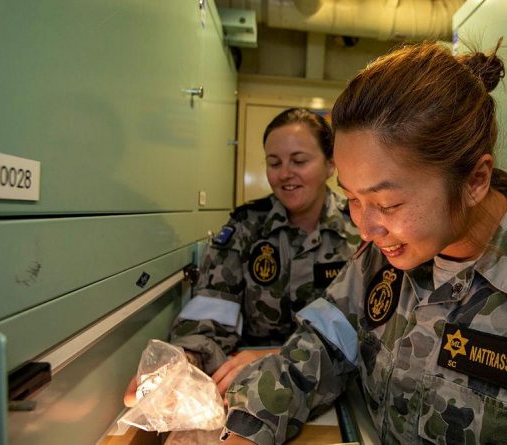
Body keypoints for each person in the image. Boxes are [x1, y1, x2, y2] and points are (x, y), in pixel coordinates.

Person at [220, 42, 507, 445]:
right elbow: (318, 350)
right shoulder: (381, 259)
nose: (364, 228)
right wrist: (242, 426)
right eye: (352, 199)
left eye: (386, 204)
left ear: (475, 179)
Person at [123, 108, 361, 406]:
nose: (285, 173)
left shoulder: (362, 228)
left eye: (299, 161)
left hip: (337, 386)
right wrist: (185, 360)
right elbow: (213, 307)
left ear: (330, 165)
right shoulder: (246, 227)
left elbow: (370, 329)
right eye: (274, 163)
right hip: (251, 383)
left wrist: (281, 357)